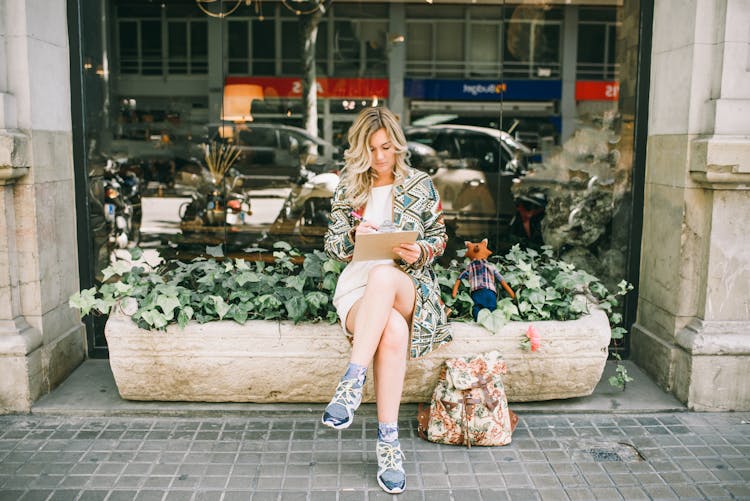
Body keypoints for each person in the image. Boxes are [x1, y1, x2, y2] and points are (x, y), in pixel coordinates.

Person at [323, 107, 452, 494]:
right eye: (372, 149)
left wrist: (421, 252)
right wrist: (353, 236)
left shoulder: (420, 184)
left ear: (397, 145)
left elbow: (440, 237)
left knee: (384, 274)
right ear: (360, 151)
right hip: (358, 288)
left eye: (386, 147)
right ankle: (388, 442)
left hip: (406, 283)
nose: (380, 157)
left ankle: (351, 382)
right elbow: (332, 246)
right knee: (391, 330)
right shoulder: (348, 189)